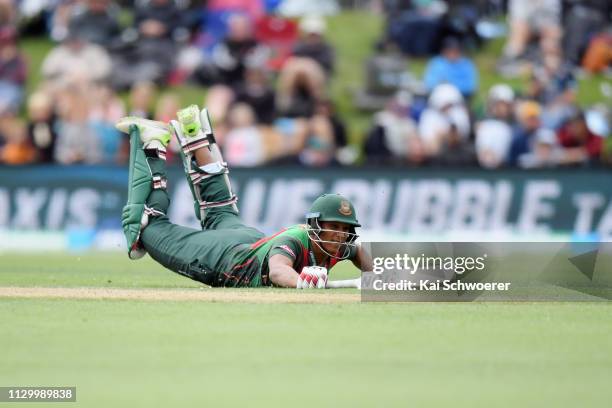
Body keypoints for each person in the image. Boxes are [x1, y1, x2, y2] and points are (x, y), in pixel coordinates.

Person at [116, 105, 370, 288]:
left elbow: (359, 251)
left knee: (219, 209)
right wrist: (306, 283)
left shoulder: (338, 245)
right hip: (227, 258)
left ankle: (197, 140)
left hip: (251, 239)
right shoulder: (295, 241)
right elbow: (279, 271)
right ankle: (152, 143)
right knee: (145, 229)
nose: (339, 234)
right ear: (315, 226)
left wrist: (381, 274)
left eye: (345, 229)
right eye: (334, 227)